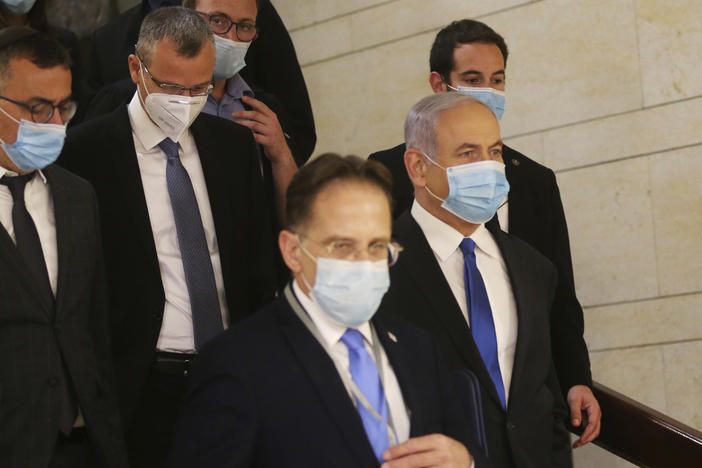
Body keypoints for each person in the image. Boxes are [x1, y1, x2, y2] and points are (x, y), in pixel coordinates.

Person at [58, 7, 277, 467]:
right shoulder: (84, 154)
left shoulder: (232, 146)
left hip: (233, 373)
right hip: (141, 381)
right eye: (172, 88)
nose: (186, 100)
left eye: (199, 88)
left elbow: (255, 261)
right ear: (137, 68)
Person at [166, 153, 485, 468]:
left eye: (377, 247)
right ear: (292, 251)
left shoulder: (418, 348)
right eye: (342, 246)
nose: (364, 263)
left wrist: (466, 462)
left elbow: (467, 450)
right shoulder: (237, 363)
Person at [369, 19, 601, 448]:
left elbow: (558, 297)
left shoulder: (533, 181)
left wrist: (575, 378)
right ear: (439, 84)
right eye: (473, 80)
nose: (489, 92)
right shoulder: (386, 172)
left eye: (498, 80)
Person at [379, 92, 572, 467]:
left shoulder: (533, 267)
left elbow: (545, 397)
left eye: (495, 152)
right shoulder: (377, 267)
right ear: (418, 167)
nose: (488, 167)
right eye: (468, 154)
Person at [0, 26, 127, 468]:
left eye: (64, 107)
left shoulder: (77, 195)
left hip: (87, 442)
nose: (55, 124)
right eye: (38, 109)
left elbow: (95, 321)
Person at [79, 0, 316, 160]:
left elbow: (297, 125)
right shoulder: (110, 39)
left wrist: (279, 151)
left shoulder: (245, 7)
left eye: (242, 27)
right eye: (218, 21)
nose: (231, 35)